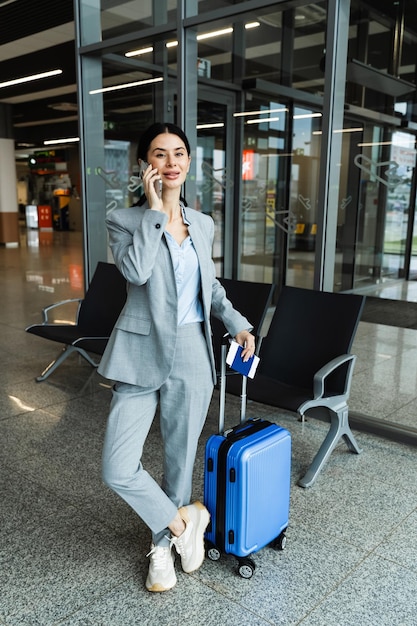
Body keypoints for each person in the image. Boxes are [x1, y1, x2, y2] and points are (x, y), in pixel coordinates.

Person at [99, 122, 255, 592]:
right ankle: (183, 525)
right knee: (117, 466)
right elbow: (136, 272)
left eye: (179, 153)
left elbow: (210, 288)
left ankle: (162, 550)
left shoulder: (203, 224)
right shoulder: (124, 220)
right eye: (160, 154)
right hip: (138, 350)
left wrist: (237, 322)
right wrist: (153, 212)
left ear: (189, 162)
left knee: (179, 461)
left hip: (192, 350)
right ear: (145, 165)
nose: (171, 163)